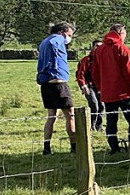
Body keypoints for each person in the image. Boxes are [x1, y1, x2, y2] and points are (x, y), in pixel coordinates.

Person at [91, 23, 130, 154]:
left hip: (107, 93)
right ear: (121, 33)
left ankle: (114, 147)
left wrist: (100, 87)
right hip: (124, 93)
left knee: (111, 121)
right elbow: (129, 72)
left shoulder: (99, 50)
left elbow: (95, 72)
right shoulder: (122, 48)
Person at [36, 21, 76, 155]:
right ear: (62, 32)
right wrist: (55, 66)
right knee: (70, 115)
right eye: (69, 35)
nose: (69, 38)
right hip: (58, 82)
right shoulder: (57, 39)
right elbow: (55, 45)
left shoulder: (44, 41)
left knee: (51, 116)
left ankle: (46, 147)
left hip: (46, 83)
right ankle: (74, 146)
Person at [75, 40, 104, 131]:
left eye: (101, 46)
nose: (98, 48)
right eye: (96, 46)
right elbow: (81, 74)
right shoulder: (87, 60)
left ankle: (99, 126)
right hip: (89, 86)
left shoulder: (103, 60)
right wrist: (83, 85)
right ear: (92, 47)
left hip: (100, 86)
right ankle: (91, 125)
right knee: (94, 105)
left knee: (102, 106)